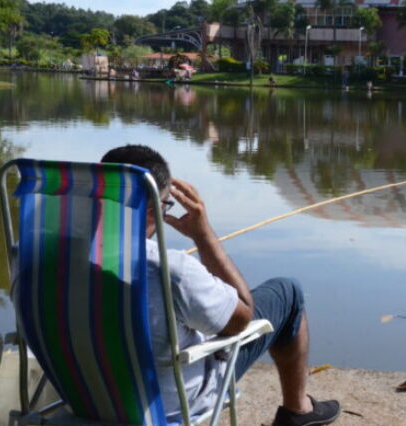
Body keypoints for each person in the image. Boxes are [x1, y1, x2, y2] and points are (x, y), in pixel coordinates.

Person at [101, 145, 340, 426]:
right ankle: (298, 410)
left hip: (87, 398)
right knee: (288, 293)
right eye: (166, 206)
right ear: (153, 209)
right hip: (167, 408)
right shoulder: (169, 270)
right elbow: (242, 318)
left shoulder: (48, 257)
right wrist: (203, 236)